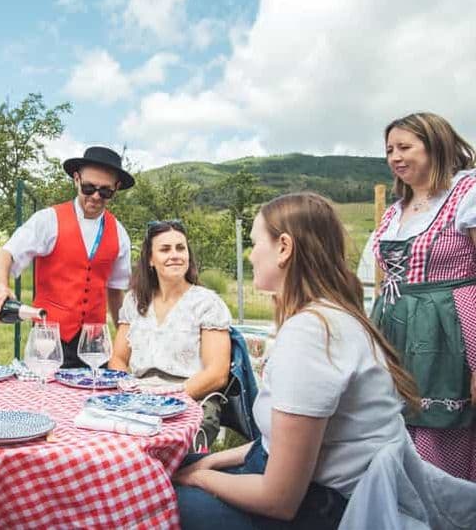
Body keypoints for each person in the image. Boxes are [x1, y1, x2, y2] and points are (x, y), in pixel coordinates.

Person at [174, 193, 419, 529]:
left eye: (255, 242)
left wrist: (199, 479)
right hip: (307, 488)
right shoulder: (329, 316)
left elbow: (279, 499)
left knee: (150, 501)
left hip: (322, 509)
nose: (250, 253)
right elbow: (271, 446)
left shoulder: (311, 335)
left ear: (284, 247)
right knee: (172, 467)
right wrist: (207, 462)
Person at [371, 112, 476, 482]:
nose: (395, 157)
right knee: (393, 424)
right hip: (394, 331)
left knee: (440, 427)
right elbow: (382, 281)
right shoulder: (393, 212)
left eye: (404, 147)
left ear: (434, 146)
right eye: (389, 150)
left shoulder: (467, 194)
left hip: (448, 329)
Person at [0, 146, 134, 368]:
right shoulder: (48, 220)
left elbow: (116, 289)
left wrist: (121, 339)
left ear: (116, 188)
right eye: (88, 187)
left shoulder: (119, 233)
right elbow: (5, 255)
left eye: (105, 191)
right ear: (76, 179)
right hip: (48, 339)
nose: (95, 196)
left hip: (94, 342)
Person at [108, 220, 232, 444]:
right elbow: (118, 358)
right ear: (150, 260)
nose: (175, 255)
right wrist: (127, 392)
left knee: (149, 445)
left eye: (180, 248)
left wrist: (166, 399)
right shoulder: (134, 300)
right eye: (165, 249)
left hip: (192, 400)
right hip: (139, 397)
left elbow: (217, 373)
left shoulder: (207, 303)